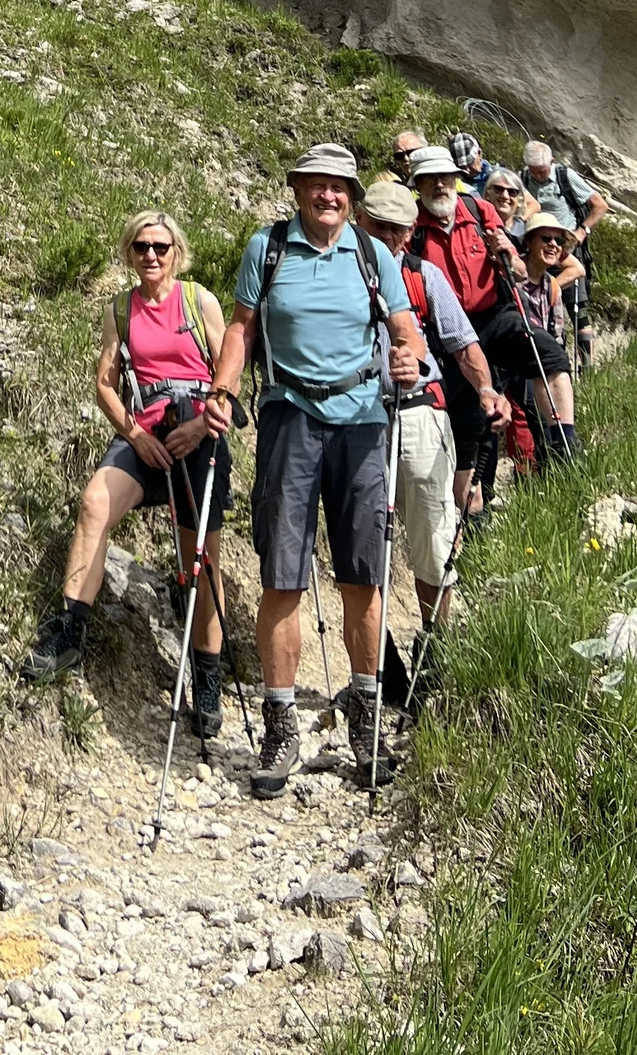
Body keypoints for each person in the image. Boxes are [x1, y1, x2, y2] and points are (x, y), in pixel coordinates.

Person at [207, 145, 425, 793]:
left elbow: (405, 329)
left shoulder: (372, 254)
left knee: (363, 574)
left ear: (351, 196)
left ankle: (364, 718)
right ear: (297, 189)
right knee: (283, 574)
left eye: (339, 187)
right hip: (288, 416)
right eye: (317, 185)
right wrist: (222, 391)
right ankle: (280, 729)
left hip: (361, 421)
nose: (328, 196)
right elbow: (242, 329)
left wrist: (409, 356)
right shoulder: (266, 248)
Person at [21, 212, 233, 735]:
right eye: (141, 247)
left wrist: (208, 420)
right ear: (130, 252)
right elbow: (105, 383)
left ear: (176, 252)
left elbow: (229, 363)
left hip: (199, 431)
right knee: (95, 502)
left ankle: (207, 676)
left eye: (161, 246)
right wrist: (135, 433)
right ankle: (69, 634)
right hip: (146, 435)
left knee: (201, 553)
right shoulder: (121, 310)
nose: (151, 256)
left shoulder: (198, 299)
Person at [356, 179, 512, 623]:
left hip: (418, 409)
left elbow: (464, 344)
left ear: (410, 233)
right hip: (352, 416)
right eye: (377, 227)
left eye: (397, 230)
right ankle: (376, 656)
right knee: (363, 540)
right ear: (359, 222)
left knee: (432, 535)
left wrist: (486, 390)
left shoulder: (424, 275)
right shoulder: (334, 275)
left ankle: (435, 645)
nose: (387, 238)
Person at [402, 145, 521, 521]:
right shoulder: (411, 223)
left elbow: (514, 267)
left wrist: (508, 251)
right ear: (417, 184)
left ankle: (475, 508)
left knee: (482, 417)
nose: (441, 184)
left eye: (446, 177)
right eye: (431, 179)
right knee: (464, 419)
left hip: (487, 322)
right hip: (440, 339)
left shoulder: (476, 209)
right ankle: (459, 510)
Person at [502, 211, 581, 462]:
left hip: (537, 366)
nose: (553, 245)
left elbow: (555, 337)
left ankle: (558, 459)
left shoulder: (551, 286)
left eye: (558, 242)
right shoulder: (510, 275)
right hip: (509, 363)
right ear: (529, 242)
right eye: (546, 238)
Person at [522, 140, 606, 360]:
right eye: (534, 171)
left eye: (543, 170)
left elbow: (600, 204)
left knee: (578, 310)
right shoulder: (522, 178)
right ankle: (553, 356)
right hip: (537, 247)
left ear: (552, 161)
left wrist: (581, 232)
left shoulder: (565, 177)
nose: (539, 175)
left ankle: (587, 367)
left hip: (566, 247)